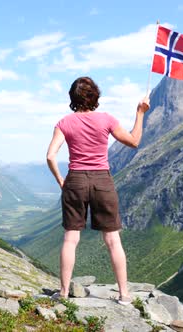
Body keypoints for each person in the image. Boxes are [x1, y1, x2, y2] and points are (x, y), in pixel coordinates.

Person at [46, 77, 150, 305]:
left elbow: (50, 155)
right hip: (102, 180)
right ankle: (124, 295)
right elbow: (134, 141)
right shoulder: (106, 120)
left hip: (75, 181)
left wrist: (61, 180)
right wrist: (140, 113)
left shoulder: (64, 123)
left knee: (70, 238)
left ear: (72, 99)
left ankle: (63, 293)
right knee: (113, 239)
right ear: (95, 96)